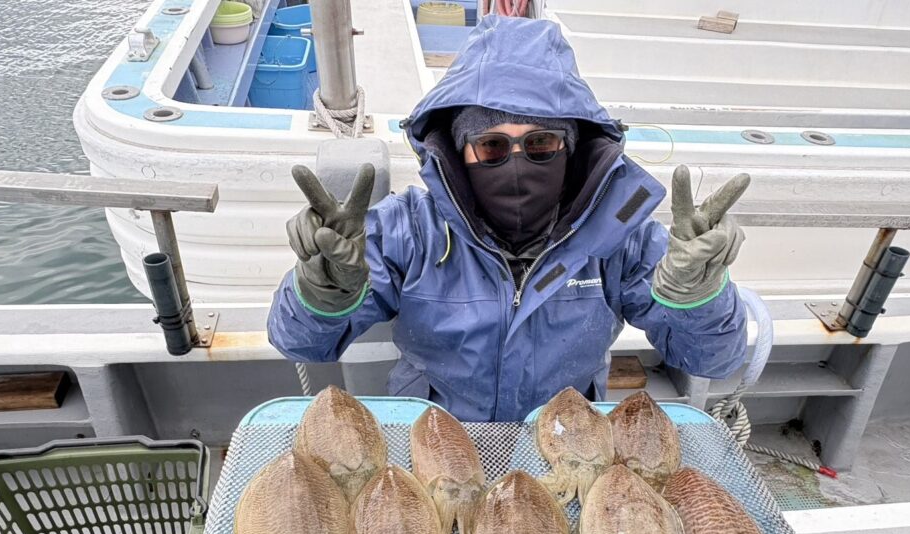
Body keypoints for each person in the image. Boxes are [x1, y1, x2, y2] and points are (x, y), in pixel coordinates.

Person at [268, 16, 749, 422]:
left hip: (563, 446)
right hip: (433, 443)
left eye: (540, 144)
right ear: (459, 153)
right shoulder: (407, 229)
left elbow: (712, 358)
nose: (516, 163)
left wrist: (702, 296)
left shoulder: (623, 240)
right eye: (492, 146)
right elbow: (302, 344)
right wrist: (320, 292)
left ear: (572, 148)